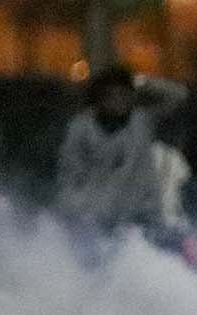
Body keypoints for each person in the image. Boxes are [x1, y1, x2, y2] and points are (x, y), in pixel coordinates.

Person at [55, 64, 188, 233]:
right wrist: (77, 209)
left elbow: (178, 95)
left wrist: (142, 81)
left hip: (143, 215)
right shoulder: (81, 128)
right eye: (111, 96)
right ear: (99, 98)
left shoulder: (142, 121)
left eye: (123, 95)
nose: (117, 101)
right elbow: (70, 174)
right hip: (100, 219)